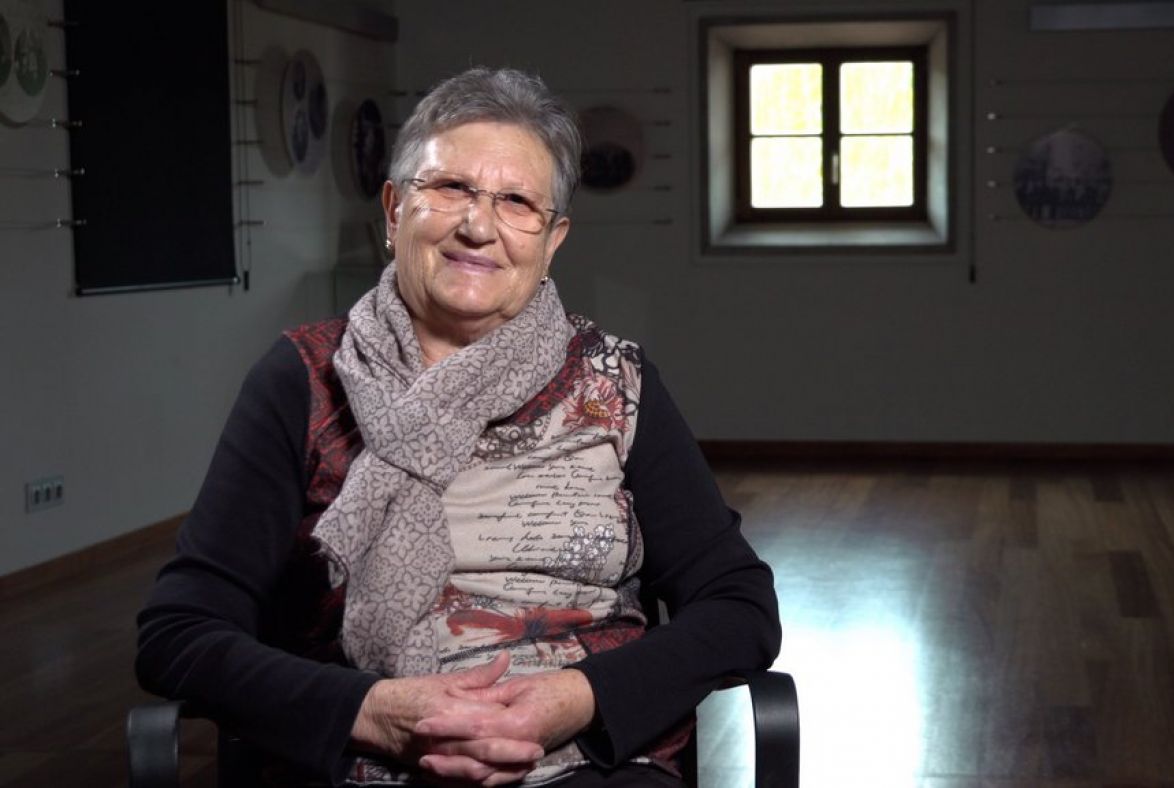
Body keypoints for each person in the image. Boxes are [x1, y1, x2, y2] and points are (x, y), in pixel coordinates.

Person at [136, 66, 781, 787]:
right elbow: (177, 634)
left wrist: (572, 700)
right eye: (450, 189)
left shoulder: (618, 384)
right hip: (358, 762)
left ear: (553, 237)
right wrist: (375, 710)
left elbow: (739, 607)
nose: (479, 225)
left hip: (591, 761)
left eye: (517, 202)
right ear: (393, 209)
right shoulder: (301, 380)